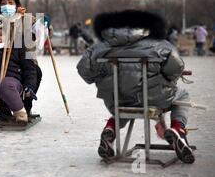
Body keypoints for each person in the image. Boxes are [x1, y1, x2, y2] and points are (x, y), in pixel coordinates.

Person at [77, 10, 195, 164]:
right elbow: (175, 69)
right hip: (154, 99)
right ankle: (178, 129)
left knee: (124, 103)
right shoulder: (161, 44)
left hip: (117, 100)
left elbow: (84, 70)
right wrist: (166, 81)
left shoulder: (98, 48)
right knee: (183, 94)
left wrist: (99, 79)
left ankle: (110, 130)